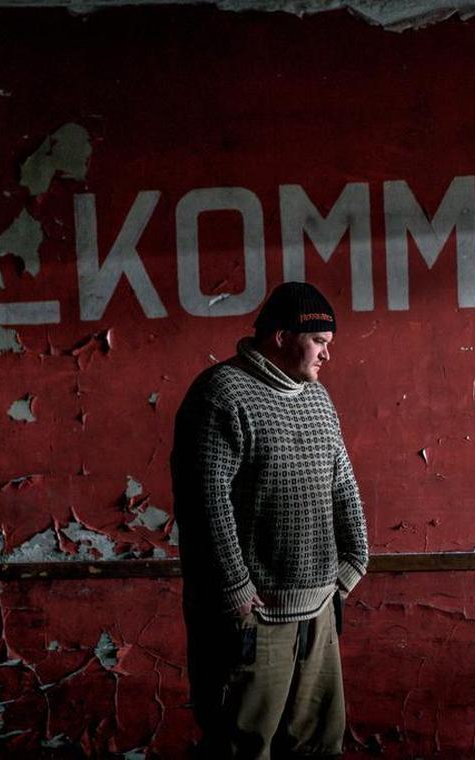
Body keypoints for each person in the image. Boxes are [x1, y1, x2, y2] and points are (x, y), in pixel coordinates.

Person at [171, 281, 369, 759]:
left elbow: (341, 481)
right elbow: (205, 503)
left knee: (319, 743)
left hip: (318, 607)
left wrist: (356, 558)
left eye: (329, 345)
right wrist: (235, 591)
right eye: (318, 342)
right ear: (280, 336)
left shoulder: (318, 398)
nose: (326, 355)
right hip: (254, 614)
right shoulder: (221, 393)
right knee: (244, 746)